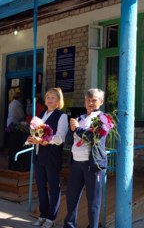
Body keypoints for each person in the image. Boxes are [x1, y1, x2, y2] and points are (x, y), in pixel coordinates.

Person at [63, 88, 107, 228]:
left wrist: (77, 130)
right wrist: (71, 130)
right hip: (76, 163)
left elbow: (95, 138)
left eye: (94, 100)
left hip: (93, 165)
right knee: (71, 197)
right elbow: (68, 141)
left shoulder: (104, 119)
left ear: (101, 102)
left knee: (93, 201)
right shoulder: (80, 118)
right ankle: (69, 225)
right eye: (88, 100)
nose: (90, 103)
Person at [26, 88, 68, 228]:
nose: (50, 99)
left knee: (53, 188)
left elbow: (60, 137)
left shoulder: (61, 116)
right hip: (39, 155)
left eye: (53, 97)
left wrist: (44, 141)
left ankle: (51, 218)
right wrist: (32, 138)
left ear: (58, 101)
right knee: (41, 187)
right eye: (48, 97)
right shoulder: (42, 114)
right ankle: (43, 215)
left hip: (51, 156)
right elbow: (37, 132)